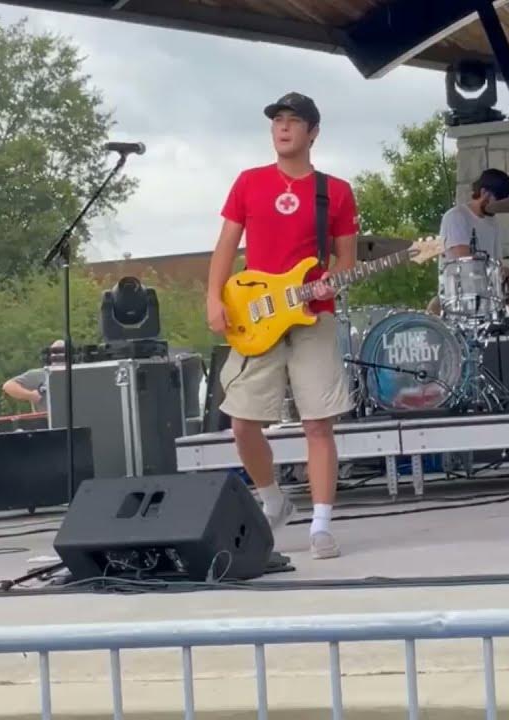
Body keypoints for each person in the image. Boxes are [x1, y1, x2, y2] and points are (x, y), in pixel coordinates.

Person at [205, 92, 358, 559]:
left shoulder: (335, 191)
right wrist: (213, 297)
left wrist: (332, 282)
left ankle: (322, 524)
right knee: (242, 423)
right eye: (277, 121)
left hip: (313, 315)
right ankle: (274, 499)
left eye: (294, 121)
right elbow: (226, 245)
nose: (283, 128)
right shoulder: (249, 182)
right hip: (255, 313)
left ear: (313, 132)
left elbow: (347, 261)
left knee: (317, 424)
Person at [438, 169, 509, 364]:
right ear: (484, 193)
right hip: (461, 298)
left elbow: (493, 265)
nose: (497, 210)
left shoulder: (493, 224)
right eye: (496, 203)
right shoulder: (456, 217)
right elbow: (464, 261)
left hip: (488, 299)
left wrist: (508, 277)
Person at [2, 340, 64, 413]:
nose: (57, 356)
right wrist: (30, 395)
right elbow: (8, 386)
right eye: (54, 352)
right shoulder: (40, 374)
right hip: (46, 421)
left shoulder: (78, 374)